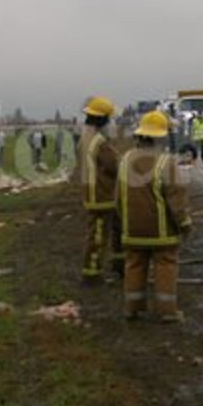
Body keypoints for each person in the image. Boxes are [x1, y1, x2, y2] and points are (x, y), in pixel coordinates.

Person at [117, 110, 192, 322]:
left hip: (132, 231)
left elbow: (118, 198)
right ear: (161, 136)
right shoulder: (166, 162)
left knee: (134, 265)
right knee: (165, 265)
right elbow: (177, 200)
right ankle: (166, 311)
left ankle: (132, 308)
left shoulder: (125, 160)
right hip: (162, 233)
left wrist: (124, 222)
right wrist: (185, 224)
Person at [75, 96, 122, 284]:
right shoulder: (99, 142)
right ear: (102, 120)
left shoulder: (84, 138)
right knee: (98, 236)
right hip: (102, 196)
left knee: (116, 229)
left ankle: (119, 263)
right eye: (108, 119)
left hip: (93, 193)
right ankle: (92, 274)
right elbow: (114, 165)